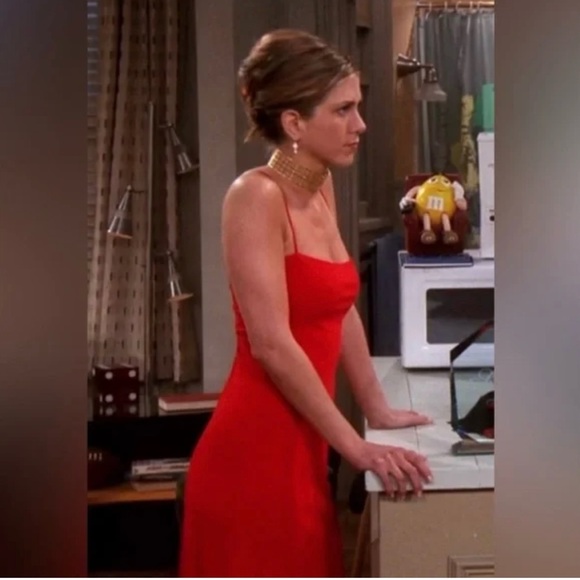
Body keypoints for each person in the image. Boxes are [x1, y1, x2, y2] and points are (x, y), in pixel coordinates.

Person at [179, 28, 433, 578]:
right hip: (254, 456)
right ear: (294, 123)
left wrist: (376, 408)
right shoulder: (255, 196)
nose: (360, 125)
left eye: (357, 107)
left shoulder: (320, 187)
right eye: (343, 110)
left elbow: (339, 305)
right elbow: (271, 344)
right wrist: (356, 448)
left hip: (306, 450)